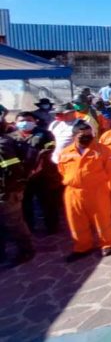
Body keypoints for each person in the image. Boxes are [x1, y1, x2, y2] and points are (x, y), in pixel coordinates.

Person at [59, 122, 111, 260]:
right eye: (82, 135)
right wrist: (75, 181)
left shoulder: (102, 150)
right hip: (73, 192)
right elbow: (62, 170)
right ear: (74, 136)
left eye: (89, 134)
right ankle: (82, 246)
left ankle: (107, 243)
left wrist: (96, 181)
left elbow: (110, 169)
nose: (86, 137)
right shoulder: (65, 153)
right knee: (76, 220)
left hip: (96, 190)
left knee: (102, 217)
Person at [0, 106, 36, 265]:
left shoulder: (3, 143)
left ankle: (26, 250)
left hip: (7, 192)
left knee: (14, 223)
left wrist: (8, 190)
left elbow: (13, 170)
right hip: (7, 190)